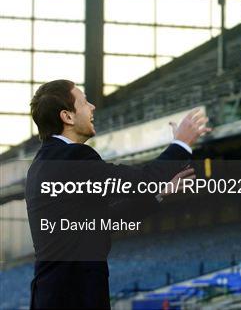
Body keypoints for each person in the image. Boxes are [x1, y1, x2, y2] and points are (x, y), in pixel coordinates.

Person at [26, 79, 211, 309]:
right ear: (68, 117)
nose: (92, 107)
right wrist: (181, 144)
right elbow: (143, 179)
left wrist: (158, 193)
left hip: (55, 297)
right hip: (74, 297)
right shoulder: (72, 159)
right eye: (84, 102)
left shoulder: (44, 163)